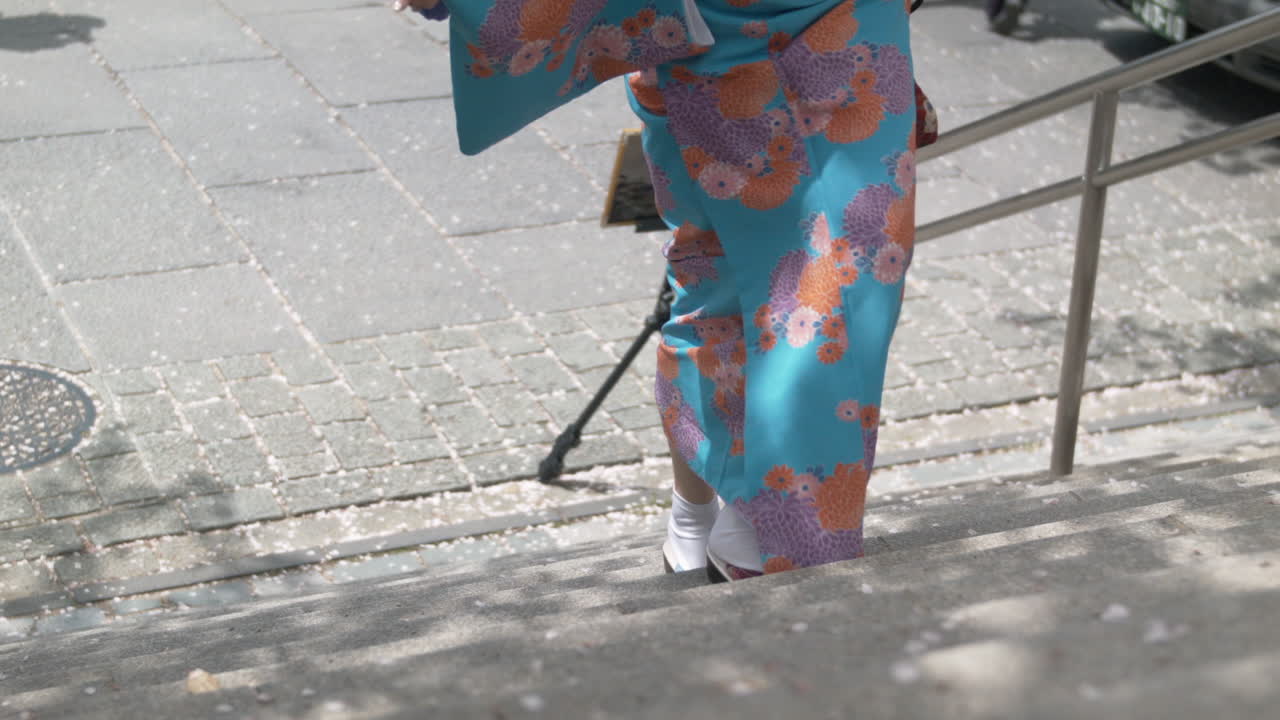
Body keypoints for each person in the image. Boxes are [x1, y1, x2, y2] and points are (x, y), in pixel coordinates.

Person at [399, 0, 926, 582]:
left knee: (745, 279)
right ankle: (767, 530)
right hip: (752, 34)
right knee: (813, 279)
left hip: (737, 32)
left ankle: (715, 519)